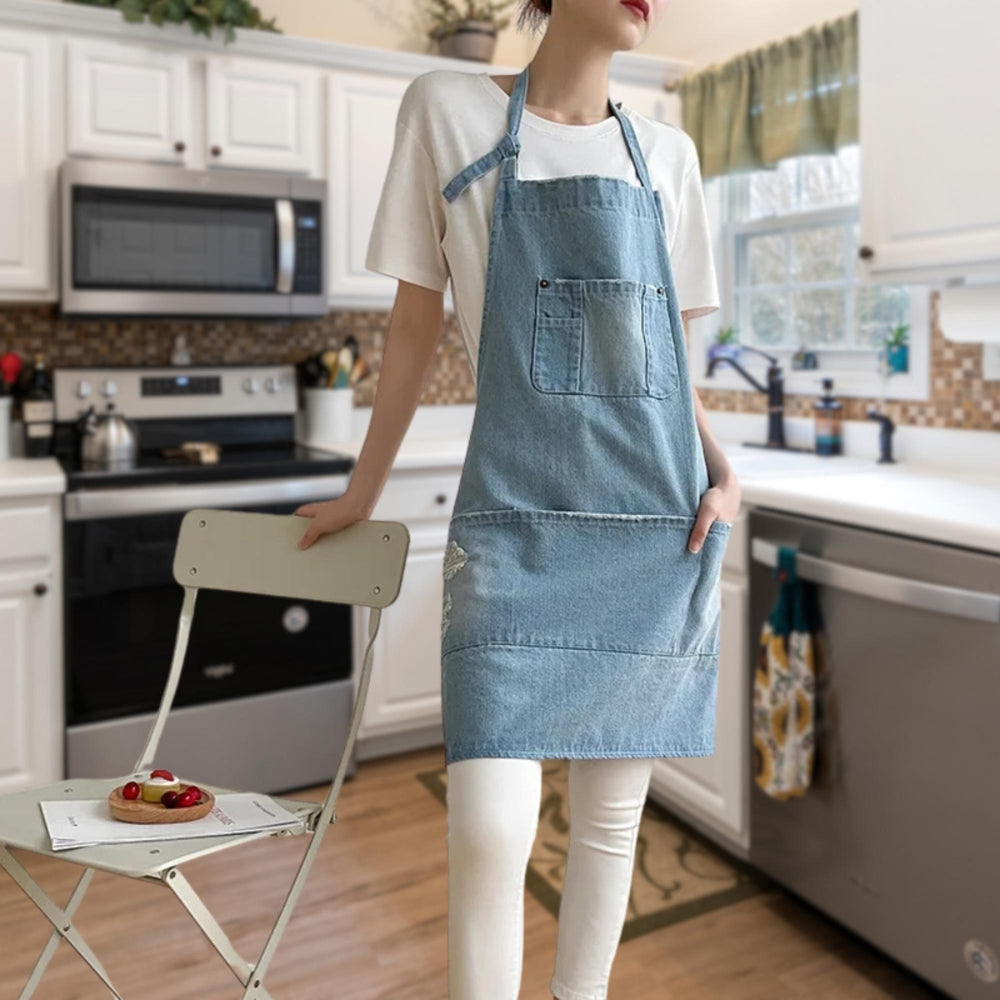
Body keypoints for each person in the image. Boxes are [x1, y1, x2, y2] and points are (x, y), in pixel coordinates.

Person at [294, 1, 741, 996]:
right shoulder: (446, 110)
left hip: (650, 531)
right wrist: (361, 492)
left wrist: (723, 465)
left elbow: (667, 363)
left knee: (608, 827)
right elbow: (415, 326)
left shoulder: (666, 154)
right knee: (489, 831)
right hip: (510, 528)